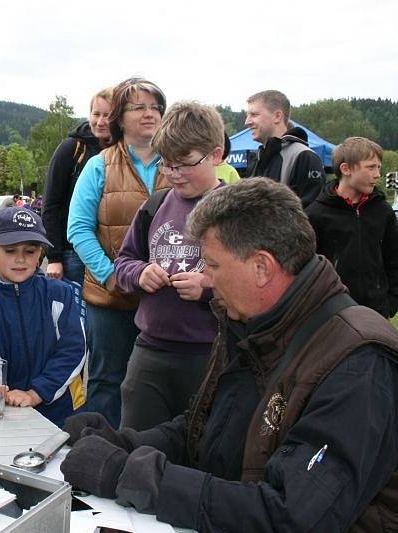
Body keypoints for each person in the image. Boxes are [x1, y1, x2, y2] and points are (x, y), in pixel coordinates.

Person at [60, 178, 398, 531]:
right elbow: (205, 434)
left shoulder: (358, 364)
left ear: (262, 267)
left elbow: (292, 515)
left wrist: (126, 474)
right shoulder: (253, 323)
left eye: (212, 265)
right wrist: (120, 443)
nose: (204, 277)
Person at [114, 102, 225, 431]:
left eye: (185, 164)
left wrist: (209, 288)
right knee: (136, 444)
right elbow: (123, 263)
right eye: (167, 164)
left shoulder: (238, 210)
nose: (174, 173)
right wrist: (140, 274)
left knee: (204, 449)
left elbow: (262, 286)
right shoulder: (155, 205)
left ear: (216, 155)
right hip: (150, 350)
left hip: (212, 354)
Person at [67, 77, 168, 429]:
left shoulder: (178, 164)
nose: (149, 114)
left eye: (155, 107)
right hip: (109, 298)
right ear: (119, 118)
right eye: (138, 107)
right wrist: (112, 275)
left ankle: (149, 459)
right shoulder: (99, 165)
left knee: (158, 384)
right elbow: (78, 229)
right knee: (108, 381)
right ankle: (99, 458)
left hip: (166, 298)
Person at [0, 207, 87, 427]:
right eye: (10, 250)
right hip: (13, 412)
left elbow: (74, 350)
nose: (20, 259)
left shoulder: (61, 294)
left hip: (65, 411)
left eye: (30, 251)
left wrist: (36, 393)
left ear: (40, 253)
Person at [307, 137, 398, 318]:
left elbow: (394, 259)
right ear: (346, 169)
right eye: (371, 167)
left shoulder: (383, 211)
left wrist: (390, 302)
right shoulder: (315, 215)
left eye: (379, 167)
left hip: (376, 312)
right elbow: (306, 269)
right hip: (331, 313)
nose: (378, 174)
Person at [43, 87, 113, 285]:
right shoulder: (72, 148)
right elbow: (51, 205)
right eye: (96, 114)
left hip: (113, 253)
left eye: (108, 115)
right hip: (73, 254)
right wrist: (54, 257)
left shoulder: (126, 151)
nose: (100, 122)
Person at [245, 89, 325, 207]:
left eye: (254, 115)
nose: (247, 121)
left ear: (277, 116)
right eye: (248, 115)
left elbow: (312, 213)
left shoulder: (304, 156)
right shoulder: (258, 158)